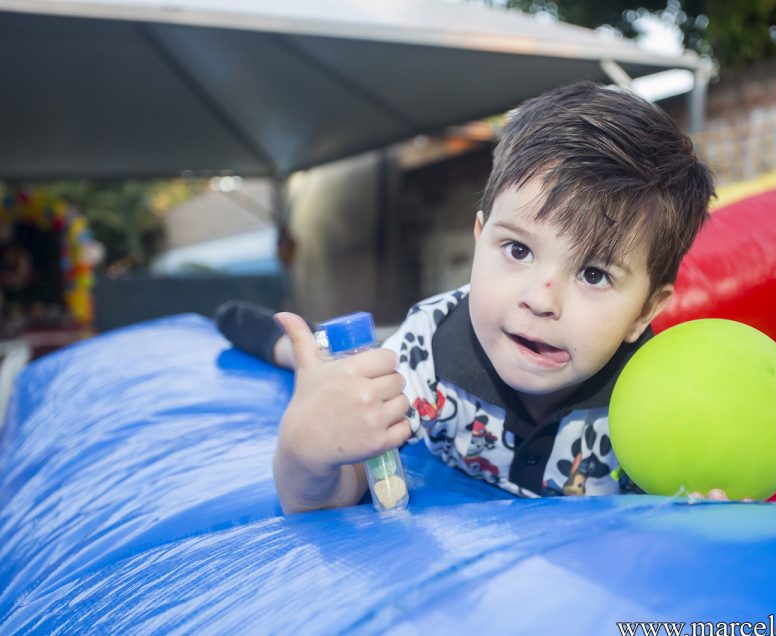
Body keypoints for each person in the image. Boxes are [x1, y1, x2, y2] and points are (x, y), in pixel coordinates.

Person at [216, 82, 714, 513]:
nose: (541, 300)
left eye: (593, 274)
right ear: (480, 238)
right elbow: (335, 495)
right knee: (337, 365)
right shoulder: (428, 351)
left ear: (645, 311)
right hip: (404, 350)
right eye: (518, 249)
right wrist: (303, 451)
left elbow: (688, 511)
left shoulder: (654, 395)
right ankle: (271, 339)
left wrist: (707, 502)